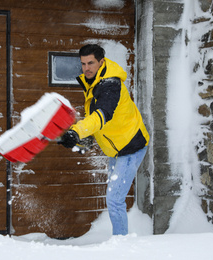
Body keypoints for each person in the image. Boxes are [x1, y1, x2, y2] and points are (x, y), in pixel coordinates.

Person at [58, 44, 150, 236]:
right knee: (114, 199)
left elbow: (103, 114)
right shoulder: (94, 81)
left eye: (91, 63)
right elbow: (97, 116)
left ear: (101, 61)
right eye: (83, 64)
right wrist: (88, 138)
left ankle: (121, 247)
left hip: (130, 146)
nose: (86, 68)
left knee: (115, 200)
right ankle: (120, 241)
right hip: (116, 149)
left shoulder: (110, 84)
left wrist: (77, 132)